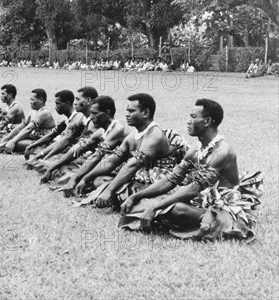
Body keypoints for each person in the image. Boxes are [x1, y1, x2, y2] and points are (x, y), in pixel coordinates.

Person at [119, 99, 262, 241]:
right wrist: (135, 197)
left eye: (193, 117)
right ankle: (169, 217)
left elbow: (193, 189)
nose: (188, 121)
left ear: (207, 121)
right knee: (148, 200)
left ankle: (206, 222)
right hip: (200, 201)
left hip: (222, 209)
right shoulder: (195, 149)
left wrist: (155, 207)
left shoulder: (222, 152)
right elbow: (171, 179)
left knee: (174, 208)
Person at [75, 94, 186, 208]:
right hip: (141, 179)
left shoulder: (155, 135)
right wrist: (85, 177)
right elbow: (111, 161)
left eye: (131, 111)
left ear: (145, 113)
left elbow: (132, 166)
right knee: (98, 180)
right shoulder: (133, 136)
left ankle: (130, 200)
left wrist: (109, 190)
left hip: (158, 183)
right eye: (127, 111)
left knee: (153, 201)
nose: (127, 114)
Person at [51, 96, 126, 193]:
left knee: (97, 181)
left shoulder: (118, 129)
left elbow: (96, 157)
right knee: (64, 165)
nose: (91, 117)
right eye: (91, 113)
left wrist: (79, 178)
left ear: (107, 113)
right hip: (105, 167)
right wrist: (53, 166)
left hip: (121, 171)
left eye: (94, 113)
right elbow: (81, 148)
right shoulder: (101, 131)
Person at [25, 86, 98, 168]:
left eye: (78, 99)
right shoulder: (82, 119)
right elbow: (65, 139)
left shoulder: (93, 122)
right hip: (77, 154)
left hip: (90, 159)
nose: (75, 103)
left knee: (55, 163)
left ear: (88, 100)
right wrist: (41, 156)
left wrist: (46, 158)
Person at [0, 88, 56, 154]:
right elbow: (19, 128)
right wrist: (6, 139)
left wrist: (12, 141)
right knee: (7, 139)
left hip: (44, 142)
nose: (30, 102)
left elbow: (28, 129)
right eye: (30, 99)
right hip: (34, 138)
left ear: (41, 100)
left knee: (16, 143)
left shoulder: (45, 113)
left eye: (32, 99)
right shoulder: (32, 112)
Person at [22, 89, 77, 159]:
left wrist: (42, 155)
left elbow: (62, 142)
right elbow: (51, 135)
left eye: (58, 103)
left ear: (67, 103)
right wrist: (32, 146)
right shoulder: (66, 121)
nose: (55, 107)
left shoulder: (76, 119)